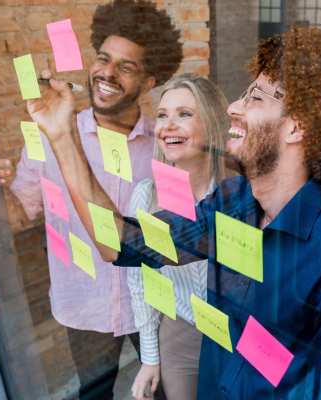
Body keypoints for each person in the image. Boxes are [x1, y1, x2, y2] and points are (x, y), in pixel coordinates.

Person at [32, 27, 321, 399]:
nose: (234, 107)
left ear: (296, 126)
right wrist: (62, 135)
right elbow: (121, 245)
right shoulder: (234, 202)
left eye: (257, 97)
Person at [0, 0, 182, 388]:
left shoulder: (165, 147)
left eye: (126, 66)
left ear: (149, 82)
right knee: (92, 391)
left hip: (150, 310)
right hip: (84, 305)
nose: (108, 73)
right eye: (104, 59)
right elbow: (20, 213)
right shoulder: (52, 132)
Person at [126, 73, 230, 400]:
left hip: (236, 336)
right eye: (162, 115)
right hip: (180, 333)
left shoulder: (237, 195)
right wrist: (150, 358)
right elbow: (139, 282)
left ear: (211, 124)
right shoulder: (145, 195)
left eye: (184, 114)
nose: (169, 124)